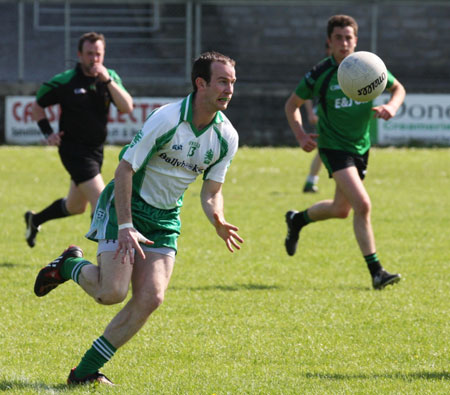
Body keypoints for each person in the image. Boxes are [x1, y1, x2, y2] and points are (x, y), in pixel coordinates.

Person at [33, 51, 243, 385]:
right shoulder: (167, 118)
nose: (229, 89)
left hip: (165, 219)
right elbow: (125, 168)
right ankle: (68, 265)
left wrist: (217, 218)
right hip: (127, 205)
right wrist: (127, 225)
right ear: (200, 83)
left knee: (151, 298)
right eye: (222, 81)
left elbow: (210, 191)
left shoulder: (226, 137)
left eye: (232, 82)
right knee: (111, 293)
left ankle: (84, 373)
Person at [284, 15, 406, 290]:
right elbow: (291, 104)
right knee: (362, 205)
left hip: (360, 146)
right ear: (329, 42)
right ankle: (377, 272)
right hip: (333, 147)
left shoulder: (368, 66)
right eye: (338, 38)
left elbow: (398, 87)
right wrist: (301, 135)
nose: (344, 42)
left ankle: (297, 219)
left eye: (348, 37)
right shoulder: (320, 74)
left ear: (356, 40)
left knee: (341, 209)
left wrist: (392, 107)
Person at [25, 32, 133, 248]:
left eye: (98, 54)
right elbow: (36, 106)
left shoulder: (109, 77)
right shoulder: (64, 81)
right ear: (79, 55)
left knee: (75, 207)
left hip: (96, 150)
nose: (94, 59)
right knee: (103, 201)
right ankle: (107, 263)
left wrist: (108, 81)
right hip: (73, 150)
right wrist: (48, 133)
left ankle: (34, 220)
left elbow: (126, 107)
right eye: (89, 54)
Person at [302, 42, 332, 193]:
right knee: (323, 148)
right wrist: (310, 113)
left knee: (324, 149)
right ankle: (310, 181)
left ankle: (311, 181)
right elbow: (304, 94)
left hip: (338, 115)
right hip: (323, 115)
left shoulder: (349, 68)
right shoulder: (321, 69)